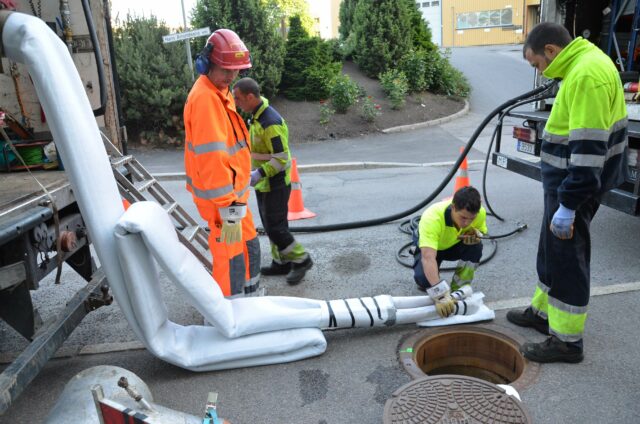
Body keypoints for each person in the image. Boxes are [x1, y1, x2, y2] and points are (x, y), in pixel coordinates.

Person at [507, 22, 628, 363]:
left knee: (567, 260)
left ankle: (567, 342)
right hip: (564, 186)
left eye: (537, 64)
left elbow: (588, 151)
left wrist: (569, 205)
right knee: (551, 253)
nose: (539, 71)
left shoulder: (587, 75)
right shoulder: (581, 64)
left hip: (572, 188)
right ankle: (544, 314)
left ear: (551, 51)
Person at [183, 29, 261, 297]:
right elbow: (212, 159)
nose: (231, 76)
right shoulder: (205, 99)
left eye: (236, 70)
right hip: (224, 201)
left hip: (234, 196)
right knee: (230, 253)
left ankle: (249, 298)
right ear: (207, 64)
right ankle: (230, 307)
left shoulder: (220, 90)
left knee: (247, 242)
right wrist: (228, 204)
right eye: (225, 69)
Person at [232, 77, 313, 284]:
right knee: (272, 225)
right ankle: (281, 263)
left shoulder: (270, 122)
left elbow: (281, 158)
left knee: (276, 228)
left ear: (250, 97)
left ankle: (301, 259)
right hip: (265, 183)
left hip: (275, 182)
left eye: (238, 98)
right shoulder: (257, 116)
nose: (236, 102)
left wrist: (259, 173)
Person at [412, 186, 487, 318]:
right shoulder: (432, 218)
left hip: (453, 244)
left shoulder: (480, 213)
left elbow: (482, 231)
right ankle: (420, 253)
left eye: (471, 218)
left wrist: (477, 235)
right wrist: (440, 295)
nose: (467, 222)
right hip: (433, 249)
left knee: (476, 246)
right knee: (424, 282)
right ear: (453, 208)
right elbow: (428, 258)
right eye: (463, 217)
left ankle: (460, 287)